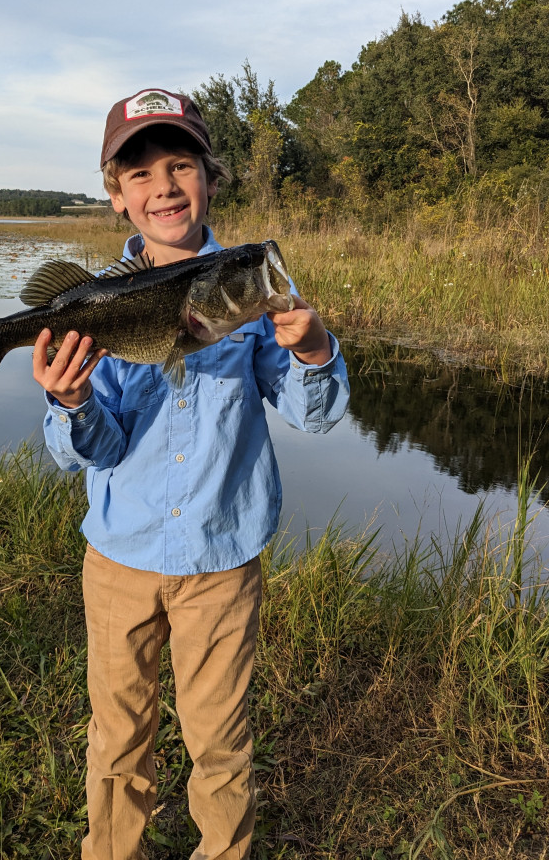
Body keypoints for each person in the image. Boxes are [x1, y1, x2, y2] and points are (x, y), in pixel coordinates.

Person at [32, 88, 350, 860]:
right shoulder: (98, 300)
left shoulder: (249, 290)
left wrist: (313, 349)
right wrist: (72, 403)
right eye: (140, 174)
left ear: (210, 178)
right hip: (121, 558)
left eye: (181, 166)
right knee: (117, 738)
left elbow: (314, 416)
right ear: (117, 196)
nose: (164, 186)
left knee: (221, 742)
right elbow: (89, 451)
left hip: (221, 560)